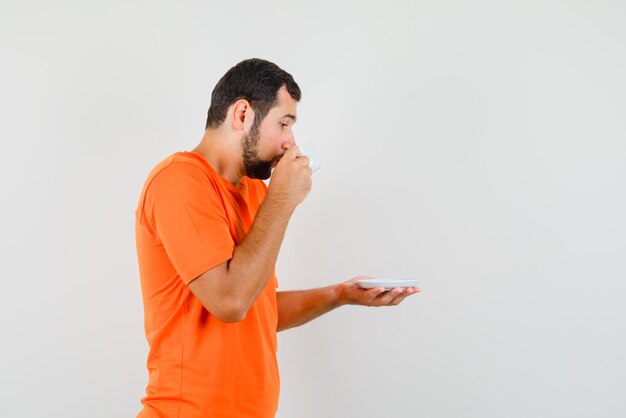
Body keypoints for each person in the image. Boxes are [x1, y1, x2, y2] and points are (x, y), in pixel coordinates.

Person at [134, 58, 420, 418]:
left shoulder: (254, 192)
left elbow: (257, 306)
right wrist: (283, 198)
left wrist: (341, 294)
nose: (290, 142)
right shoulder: (178, 181)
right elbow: (231, 301)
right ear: (242, 114)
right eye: (284, 124)